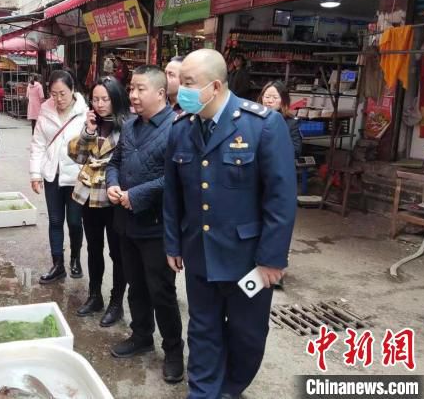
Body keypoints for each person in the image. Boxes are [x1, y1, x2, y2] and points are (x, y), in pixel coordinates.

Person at [164, 49, 297, 399]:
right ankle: (203, 392)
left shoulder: (263, 125)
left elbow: (281, 199)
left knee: (247, 335)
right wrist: (173, 243)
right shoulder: (181, 128)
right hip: (199, 253)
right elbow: (173, 195)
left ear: (215, 86)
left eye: (188, 83)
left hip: (247, 260)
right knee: (202, 330)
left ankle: (230, 388)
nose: (180, 90)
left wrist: (272, 259)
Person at [106, 65, 184, 384]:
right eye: (131, 88)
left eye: (140, 89)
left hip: (156, 226)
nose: (133, 95)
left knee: (161, 291)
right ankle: (141, 336)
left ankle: (174, 351)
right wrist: (112, 184)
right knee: (135, 285)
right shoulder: (128, 126)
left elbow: (176, 179)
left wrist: (136, 195)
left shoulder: (178, 129)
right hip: (126, 223)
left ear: (161, 93)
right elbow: (114, 163)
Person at [68, 76, 129, 327]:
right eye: (95, 99)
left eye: (105, 99)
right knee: (94, 248)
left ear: (116, 99)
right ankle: (95, 296)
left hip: (114, 198)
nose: (100, 104)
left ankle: (116, 303)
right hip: (89, 197)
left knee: (117, 252)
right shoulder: (92, 124)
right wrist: (88, 131)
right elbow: (77, 156)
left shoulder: (128, 125)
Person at [29, 70, 87, 284]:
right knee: (55, 220)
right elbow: (38, 145)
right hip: (52, 174)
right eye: (54, 94)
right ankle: (58, 264)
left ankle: (75, 259)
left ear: (72, 90)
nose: (59, 99)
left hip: (76, 177)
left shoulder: (84, 113)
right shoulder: (45, 111)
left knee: (74, 221)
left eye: (63, 93)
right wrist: (35, 174)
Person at [259, 80, 302, 158]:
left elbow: (296, 151)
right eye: (267, 97)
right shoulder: (253, 119)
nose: (270, 101)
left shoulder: (291, 122)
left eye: (275, 97)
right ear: (262, 98)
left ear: (283, 100)